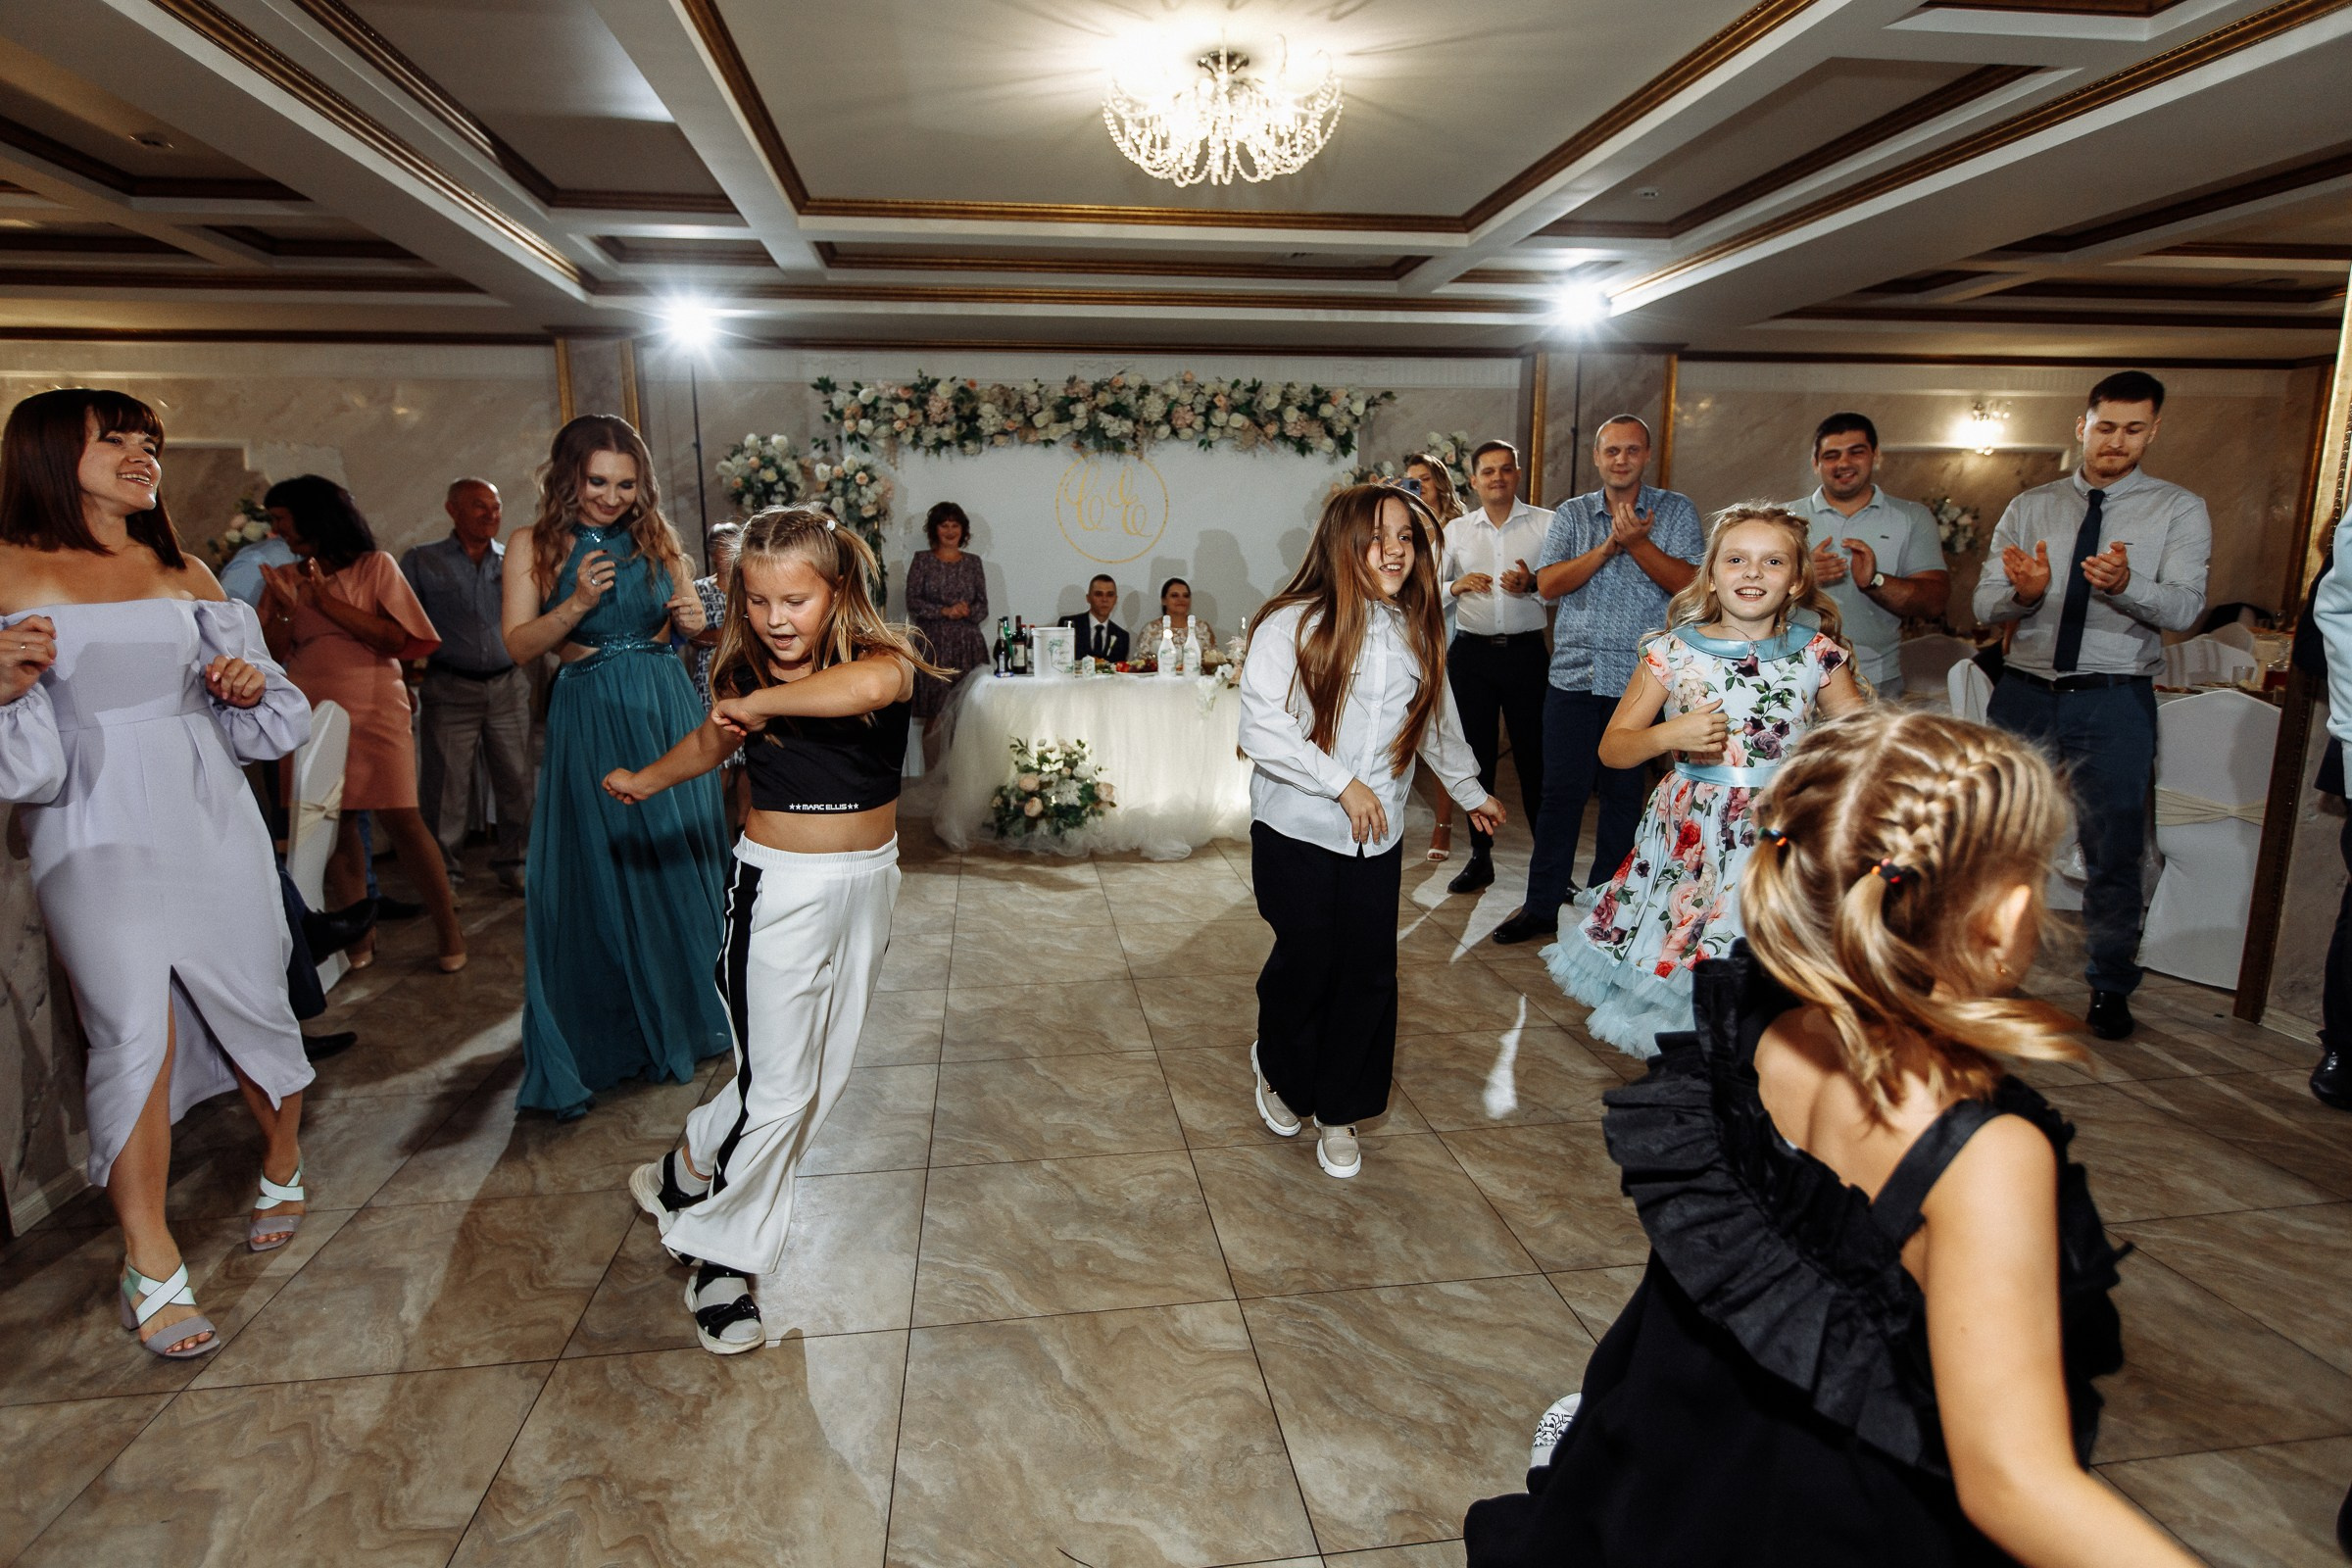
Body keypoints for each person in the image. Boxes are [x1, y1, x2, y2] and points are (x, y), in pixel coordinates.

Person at [1465, 709, 2191, 1568]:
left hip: (1688, 1443)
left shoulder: (1758, 1015)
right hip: (1839, 1510)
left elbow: (1739, 1268)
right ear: (2005, 917)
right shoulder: (1984, 1153)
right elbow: (2015, 1482)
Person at [0, 387, 314, 1358]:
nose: (144, 458)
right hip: (84, 824)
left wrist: (247, 685)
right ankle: (149, 1255)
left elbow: (272, 709)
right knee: (129, 1025)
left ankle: (283, 1154)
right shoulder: (6, 568)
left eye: (151, 444)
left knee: (252, 994)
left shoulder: (183, 568)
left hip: (206, 808)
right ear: (53, 453)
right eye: (118, 442)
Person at [616, 506, 944, 1353]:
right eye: (757, 601)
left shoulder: (883, 658)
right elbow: (708, 743)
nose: (773, 620)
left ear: (838, 591)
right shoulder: (742, 669)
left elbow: (863, 693)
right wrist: (647, 780)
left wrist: (759, 702)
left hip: (868, 884)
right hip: (779, 891)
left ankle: (687, 1162)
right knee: (783, 1088)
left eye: (794, 600)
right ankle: (719, 1258)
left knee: (814, 1076)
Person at [1239, 484, 1504, 1180]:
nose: (1393, 551)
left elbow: (1436, 720)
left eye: (1406, 538)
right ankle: (1280, 1069)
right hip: (1295, 825)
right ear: (1341, 543)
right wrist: (1340, 783)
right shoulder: (1290, 623)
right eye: (1377, 536)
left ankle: (1341, 1108)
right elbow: (1261, 727)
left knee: (1367, 971)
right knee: (1306, 960)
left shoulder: (1417, 626)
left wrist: (1472, 788)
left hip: (1376, 835)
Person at [1544, 506, 1862, 1054]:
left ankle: (1755, 1070)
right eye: (1736, 560)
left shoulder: (1818, 655)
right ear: (1711, 575)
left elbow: (1865, 740)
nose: (1753, 573)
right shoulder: (1672, 652)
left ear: (1796, 581)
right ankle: (1694, 1083)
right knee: (1689, 956)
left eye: (1772, 561)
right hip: (1692, 834)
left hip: (1780, 833)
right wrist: (1670, 736)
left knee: (1761, 959)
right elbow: (1614, 749)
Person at [501, 414, 731, 1120]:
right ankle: (617, 1026)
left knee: (677, 859)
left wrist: (696, 624)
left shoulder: (659, 540)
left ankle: (694, 1017)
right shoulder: (531, 545)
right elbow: (517, 645)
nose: (611, 497)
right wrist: (574, 604)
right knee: (602, 867)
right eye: (598, 481)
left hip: (664, 703)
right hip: (590, 709)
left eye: (626, 484)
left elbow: (691, 635)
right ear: (568, 476)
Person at [1976, 370, 2211, 1042]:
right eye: (2105, 426)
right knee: (2003, 842)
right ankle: (1993, 971)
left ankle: (2109, 985)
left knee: (2113, 849)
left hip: (2113, 701)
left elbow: (2188, 607)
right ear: (2081, 426)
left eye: (2133, 429)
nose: (2116, 441)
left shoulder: (2178, 509)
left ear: (2153, 431)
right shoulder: (2032, 505)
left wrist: (2130, 585)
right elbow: (1981, 603)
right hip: (2024, 693)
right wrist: (2023, 595)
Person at [1502, 416, 1703, 947]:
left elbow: (1692, 587)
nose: (1621, 459)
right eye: (1611, 451)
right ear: (1597, 457)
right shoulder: (1571, 514)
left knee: (1622, 797)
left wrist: (1638, 544)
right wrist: (1608, 547)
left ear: (1647, 454)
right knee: (1559, 795)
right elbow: (1547, 585)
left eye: (1631, 450)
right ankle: (1542, 905)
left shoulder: (1676, 511)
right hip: (1573, 675)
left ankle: (1606, 909)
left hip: (1643, 682)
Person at [257, 475, 466, 972]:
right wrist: (286, 613)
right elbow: (270, 655)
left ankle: (449, 932)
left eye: (281, 519)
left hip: (374, 702)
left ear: (310, 515)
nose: (277, 530)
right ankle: (359, 940)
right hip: (311, 706)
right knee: (336, 825)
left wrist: (322, 602)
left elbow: (395, 638)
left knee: (402, 819)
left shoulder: (376, 567)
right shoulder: (282, 575)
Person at [402, 477, 534, 896]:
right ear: (452, 509)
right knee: (446, 789)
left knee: (517, 780)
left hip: (507, 687)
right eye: (480, 507)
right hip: (450, 687)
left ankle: (517, 863)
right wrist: (402, 680)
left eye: (495, 507)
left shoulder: (511, 560)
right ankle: (444, 877)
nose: (491, 515)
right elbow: (400, 624)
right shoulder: (423, 561)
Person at [1437, 440, 1549, 897]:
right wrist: (1455, 585)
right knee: (1475, 759)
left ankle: (1548, 869)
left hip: (1527, 655)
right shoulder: (1457, 530)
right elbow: (1425, 586)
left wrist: (1534, 586)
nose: (1497, 478)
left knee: (1535, 761)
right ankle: (1480, 859)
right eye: (1488, 471)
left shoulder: (1547, 524)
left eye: (1505, 469)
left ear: (1517, 474)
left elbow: (1569, 588)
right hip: (1472, 657)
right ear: (1474, 480)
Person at [1785, 413, 1950, 697]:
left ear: (1875, 456)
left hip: (1876, 681)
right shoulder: (1782, 519)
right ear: (1815, 463)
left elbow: (1934, 603)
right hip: (1790, 676)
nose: (1843, 463)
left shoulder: (1912, 516)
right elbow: (1743, 595)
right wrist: (1800, 576)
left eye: (1856, 452)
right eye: (1831, 455)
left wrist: (1875, 581)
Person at [1400, 454, 1466, 862]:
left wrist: (1453, 589)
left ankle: (1444, 825)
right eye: (1410, 482)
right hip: (1408, 633)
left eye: (1424, 479)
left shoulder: (1458, 529)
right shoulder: (1401, 527)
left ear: (1440, 483)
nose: (1418, 487)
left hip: (1449, 636)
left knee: (1446, 732)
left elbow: (1466, 585)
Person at [905, 500, 989, 759]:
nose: (950, 531)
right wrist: (944, 611)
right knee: (936, 714)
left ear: (964, 531)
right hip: (934, 646)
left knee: (967, 714)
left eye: (956, 525)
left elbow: (983, 607)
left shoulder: (973, 562)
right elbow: (913, 602)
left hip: (968, 645)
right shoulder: (922, 561)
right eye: (944, 525)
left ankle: (961, 779)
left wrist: (967, 612)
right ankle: (932, 781)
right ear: (934, 530)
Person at [1137, 575, 1217, 656]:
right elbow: (1140, 663)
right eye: (1174, 595)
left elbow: (1213, 661)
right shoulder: (1151, 630)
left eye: (1185, 596)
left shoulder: (1203, 628)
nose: (1181, 600)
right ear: (1163, 600)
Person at [1059, 573, 1129, 662]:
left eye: (1110, 595)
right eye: (1099, 594)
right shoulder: (1069, 625)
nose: (1104, 599)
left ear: (1115, 600)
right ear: (1088, 598)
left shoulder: (1122, 637)